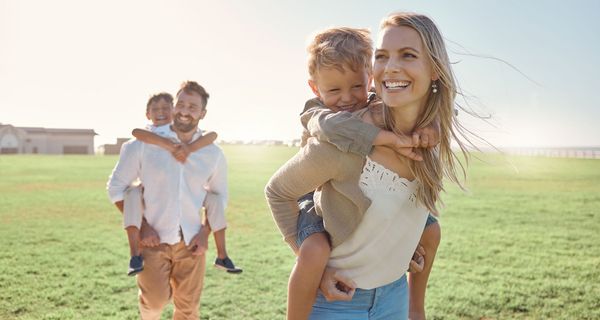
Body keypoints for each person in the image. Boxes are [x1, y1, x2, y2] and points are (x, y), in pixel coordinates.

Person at [266, 12, 470, 319]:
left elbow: (442, 110)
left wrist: (412, 297)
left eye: (408, 55)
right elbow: (278, 191)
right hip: (336, 303)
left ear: (435, 70)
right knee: (315, 250)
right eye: (383, 56)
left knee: (431, 227)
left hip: (395, 298)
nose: (392, 67)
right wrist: (315, 267)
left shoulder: (432, 136)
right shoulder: (340, 139)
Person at [108, 81, 227, 319]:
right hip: (153, 242)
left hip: (192, 244)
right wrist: (142, 227)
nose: (184, 110)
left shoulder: (213, 153)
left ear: (202, 113)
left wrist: (204, 234)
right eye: (180, 104)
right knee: (154, 304)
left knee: (188, 309)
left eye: (192, 106)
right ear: (173, 107)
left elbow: (220, 197)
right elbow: (116, 188)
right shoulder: (143, 144)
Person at [125, 93, 242, 275]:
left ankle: (222, 255)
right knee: (131, 194)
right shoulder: (151, 135)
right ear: (147, 114)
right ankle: (135, 255)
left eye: (165, 109)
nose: (161, 113)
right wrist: (170, 146)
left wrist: (188, 149)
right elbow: (136, 132)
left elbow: (212, 135)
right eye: (155, 110)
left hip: (186, 219)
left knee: (215, 199)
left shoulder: (184, 135)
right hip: (153, 203)